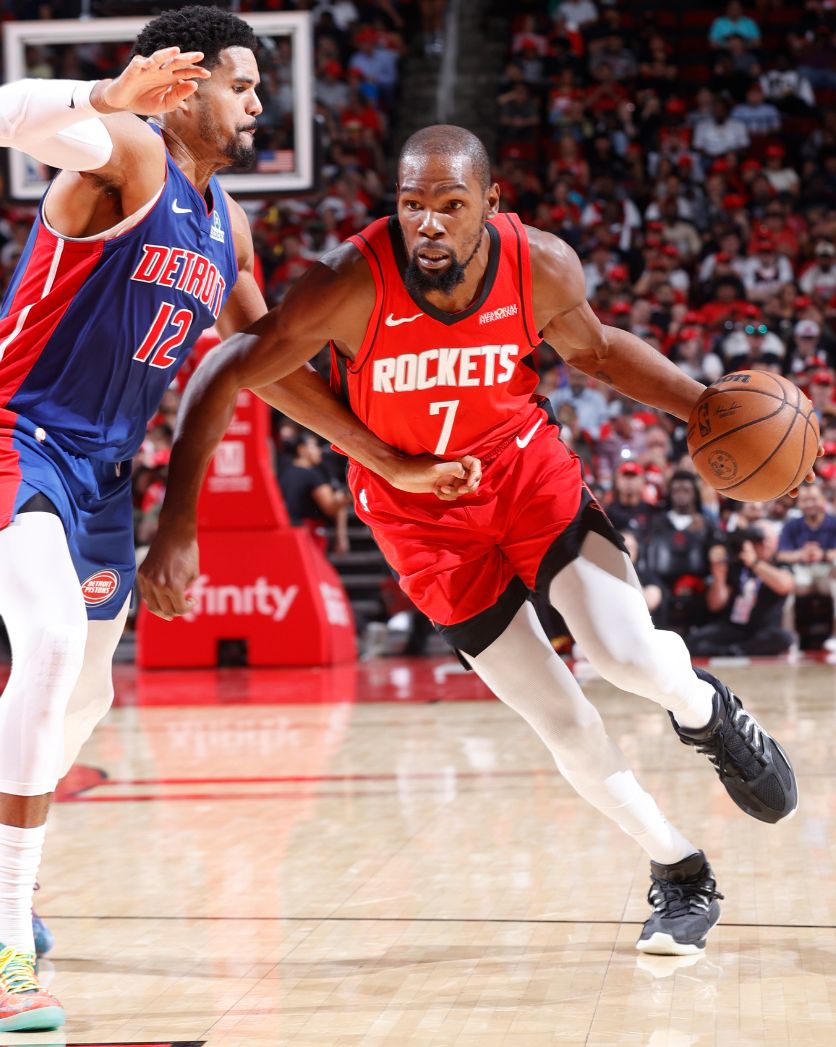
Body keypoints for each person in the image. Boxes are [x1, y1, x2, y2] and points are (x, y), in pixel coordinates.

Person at [141, 124, 801, 961]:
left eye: (450, 205)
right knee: (560, 719)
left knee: (626, 655)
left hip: (525, 476)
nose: (428, 223)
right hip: (417, 518)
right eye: (411, 203)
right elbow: (229, 367)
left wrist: (706, 407)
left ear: (491, 203)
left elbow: (598, 353)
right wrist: (178, 518)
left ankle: (706, 710)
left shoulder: (541, 265)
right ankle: (679, 868)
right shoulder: (349, 282)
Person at [0, 11, 475, 1031]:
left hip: (103, 477)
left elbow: (266, 365)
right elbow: (7, 114)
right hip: (15, 435)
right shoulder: (125, 152)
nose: (261, 103)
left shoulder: (228, 227)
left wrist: (385, 455)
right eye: (244, 85)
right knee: (47, 642)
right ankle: (5, 946)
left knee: (85, 694)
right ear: (184, 86)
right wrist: (102, 97)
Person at [688, 523, 796, 657]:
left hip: (763, 630)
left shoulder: (780, 564)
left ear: (776, 542)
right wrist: (719, 577)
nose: (764, 544)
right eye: (760, 540)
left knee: (783, 638)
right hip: (734, 627)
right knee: (694, 641)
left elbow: (785, 585)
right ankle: (733, 651)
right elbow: (715, 605)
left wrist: (755, 563)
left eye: (768, 540)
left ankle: (733, 651)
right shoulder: (737, 565)